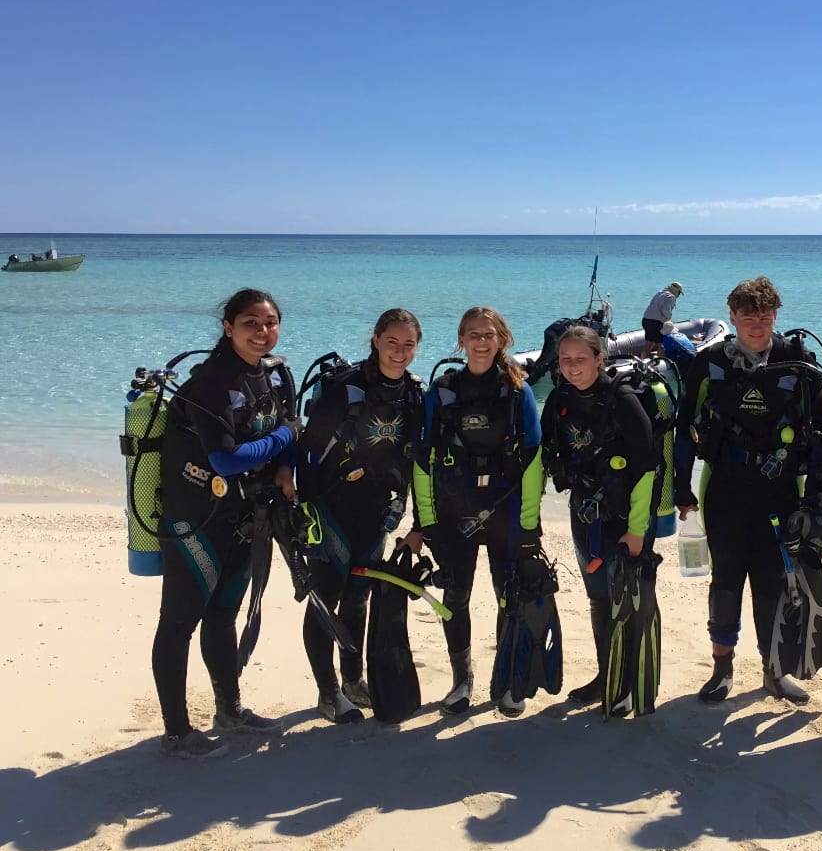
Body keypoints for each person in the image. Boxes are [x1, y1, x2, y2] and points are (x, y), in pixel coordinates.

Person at [153, 289, 299, 758]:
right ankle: (177, 732)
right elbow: (226, 460)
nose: (262, 332)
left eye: (270, 322)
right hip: (194, 518)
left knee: (223, 615)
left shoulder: (274, 375)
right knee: (179, 622)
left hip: (243, 515)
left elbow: (288, 425)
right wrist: (284, 437)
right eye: (251, 323)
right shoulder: (211, 382)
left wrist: (286, 463)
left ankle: (229, 710)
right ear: (228, 327)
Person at [673, 276, 822, 704]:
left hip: (781, 489)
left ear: (776, 316)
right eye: (747, 317)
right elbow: (682, 429)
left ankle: (773, 671)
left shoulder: (797, 362)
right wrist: (679, 484)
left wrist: (815, 496)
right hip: (723, 485)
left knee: (774, 581)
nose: (756, 325)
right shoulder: (709, 362)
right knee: (726, 578)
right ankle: (722, 670)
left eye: (764, 316)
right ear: (732, 317)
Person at [403, 307, 544, 718]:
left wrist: (530, 524)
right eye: (473, 334)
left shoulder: (518, 391)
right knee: (455, 596)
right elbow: (423, 460)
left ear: (502, 339)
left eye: (489, 334)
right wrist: (425, 520)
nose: (481, 341)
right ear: (461, 340)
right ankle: (461, 679)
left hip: (505, 510)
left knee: (508, 596)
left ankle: (505, 680)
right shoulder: (443, 390)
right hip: (454, 511)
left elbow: (533, 459)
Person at [297, 309, 425, 724]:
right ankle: (328, 692)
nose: (400, 352)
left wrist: (411, 513)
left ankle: (353, 679)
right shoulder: (345, 390)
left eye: (408, 344)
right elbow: (308, 452)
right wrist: (309, 511)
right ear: (375, 340)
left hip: (376, 514)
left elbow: (417, 461)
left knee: (358, 600)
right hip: (332, 512)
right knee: (326, 599)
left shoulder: (414, 394)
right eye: (392, 342)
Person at [541, 326, 659, 714]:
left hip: (626, 518)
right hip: (584, 515)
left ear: (599, 358)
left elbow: (646, 469)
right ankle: (606, 675)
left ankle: (628, 683)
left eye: (580, 359)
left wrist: (637, 530)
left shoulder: (623, 400)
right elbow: (544, 456)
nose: (572, 367)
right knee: (598, 599)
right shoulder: (558, 400)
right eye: (564, 360)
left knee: (627, 600)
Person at [641, 281, 683, 357]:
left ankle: (643, 361)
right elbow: (666, 311)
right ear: (677, 292)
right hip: (656, 323)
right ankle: (661, 363)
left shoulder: (660, 292)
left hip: (646, 320)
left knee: (649, 342)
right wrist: (668, 319)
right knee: (662, 345)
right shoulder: (671, 297)